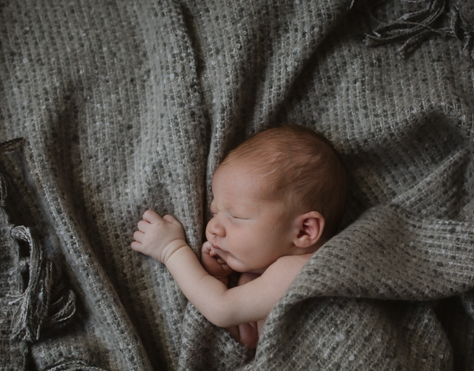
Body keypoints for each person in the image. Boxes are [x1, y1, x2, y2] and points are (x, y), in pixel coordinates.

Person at [131, 125, 347, 349]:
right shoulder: (263, 279)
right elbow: (249, 340)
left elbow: (221, 309)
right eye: (215, 212)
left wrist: (172, 250)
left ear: (304, 230)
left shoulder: (299, 270)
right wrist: (220, 281)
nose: (214, 227)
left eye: (236, 216)